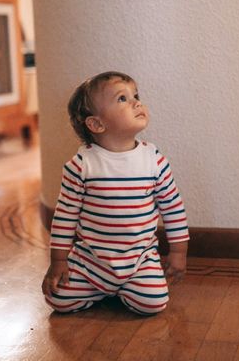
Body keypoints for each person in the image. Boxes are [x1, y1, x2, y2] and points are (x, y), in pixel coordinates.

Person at [41, 71, 189, 315]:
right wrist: (58, 261)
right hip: (90, 261)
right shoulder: (81, 165)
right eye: (122, 98)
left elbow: (173, 208)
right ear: (97, 124)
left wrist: (178, 252)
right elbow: (65, 217)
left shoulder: (154, 161)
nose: (136, 102)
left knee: (154, 302)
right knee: (58, 298)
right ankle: (99, 289)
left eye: (136, 95)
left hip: (139, 260)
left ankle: (127, 290)